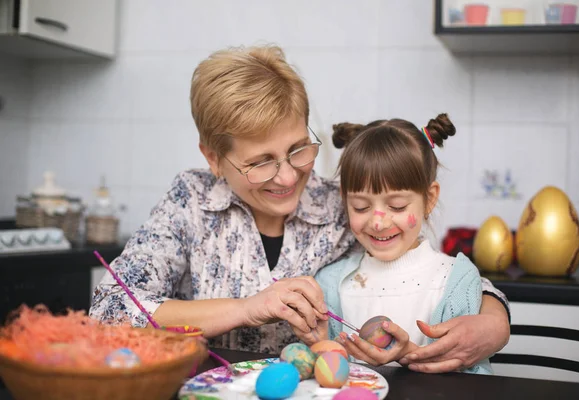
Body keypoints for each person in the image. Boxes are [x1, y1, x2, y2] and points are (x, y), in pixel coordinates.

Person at [89, 45, 510, 371]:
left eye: (298, 150)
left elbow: (422, 266)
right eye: (259, 163)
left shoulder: (338, 205)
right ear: (213, 158)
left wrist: (494, 322)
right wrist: (246, 308)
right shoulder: (191, 201)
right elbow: (109, 310)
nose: (288, 177)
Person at [303, 115, 495, 373]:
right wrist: (319, 344)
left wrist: (412, 356)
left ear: (429, 199)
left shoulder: (455, 281)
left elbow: (472, 381)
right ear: (345, 200)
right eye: (361, 207)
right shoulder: (331, 285)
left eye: (397, 206)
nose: (378, 223)